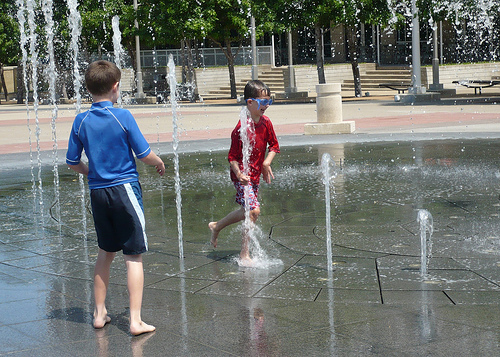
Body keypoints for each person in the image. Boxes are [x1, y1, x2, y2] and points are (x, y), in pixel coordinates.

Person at [66, 60, 165, 336]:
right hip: (125, 191)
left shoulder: (81, 120)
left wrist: (90, 173)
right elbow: (144, 155)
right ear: (115, 87)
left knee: (105, 252)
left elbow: (72, 160)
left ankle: (99, 314)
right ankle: (135, 321)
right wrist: (159, 162)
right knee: (133, 256)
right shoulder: (123, 116)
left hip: (98, 194)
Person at [208, 80, 279, 266]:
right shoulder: (241, 129)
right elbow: (232, 157)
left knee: (246, 211)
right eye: (263, 102)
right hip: (242, 177)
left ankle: (216, 226)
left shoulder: (266, 123)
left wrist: (266, 162)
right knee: (253, 211)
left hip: (255, 174)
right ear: (250, 102)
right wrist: (239, 175)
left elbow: (274, 146)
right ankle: (244, 254)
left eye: (269, 102)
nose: (266, 106)